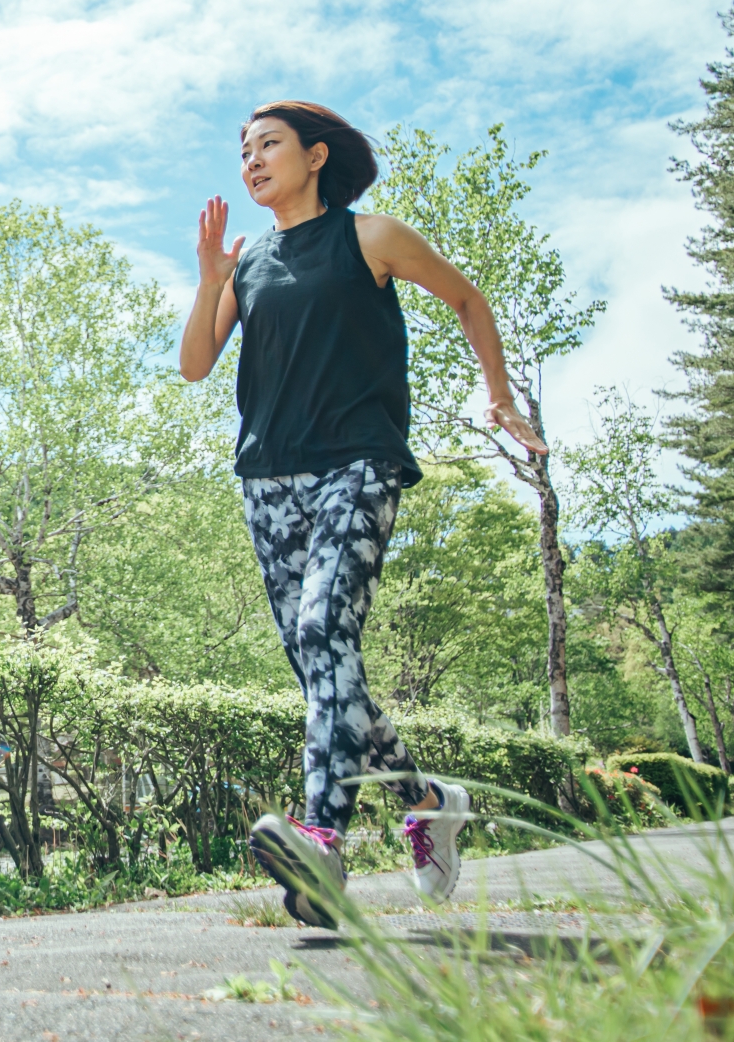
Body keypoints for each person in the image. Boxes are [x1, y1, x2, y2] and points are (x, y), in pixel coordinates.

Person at [179, 100, 548, 926]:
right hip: (268, 479)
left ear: (315, 157)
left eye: (268, 145)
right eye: (244, 151)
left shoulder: (370, 236)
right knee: (324, 668)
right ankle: (428, 802)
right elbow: (197, 365)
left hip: (360, 461)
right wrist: (209, 279)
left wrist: (498, 395)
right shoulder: (249, 266)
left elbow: (467, 299)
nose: (252, 160)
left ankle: (322, 841)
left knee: (321, 636)